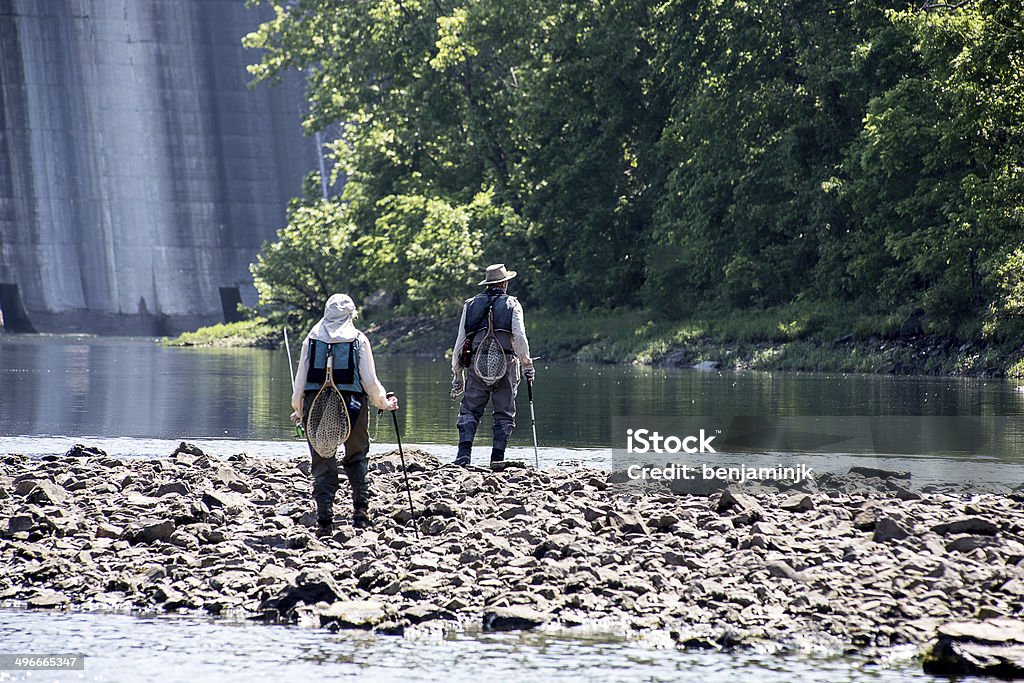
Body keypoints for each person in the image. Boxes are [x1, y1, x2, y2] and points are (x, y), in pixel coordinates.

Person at [290, 294, 398, 536]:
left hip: (314, 404)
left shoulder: (311, 340)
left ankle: (325, 520)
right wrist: (384, 402)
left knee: (322, 460)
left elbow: (300, 383)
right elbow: (369, 381)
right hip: (353, 406)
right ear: (351, 314)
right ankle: (361, 512)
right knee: (357, 455)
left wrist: (299, 410)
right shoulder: (359, 339)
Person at [450, 264, 535, 468]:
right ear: (504, 283)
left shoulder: (470, 305)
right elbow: (520, 338)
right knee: (504, 412)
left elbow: (460, 342)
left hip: (476, 365)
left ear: (488, 284)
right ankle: (497, 458)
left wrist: (457, 373)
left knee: (470, 410)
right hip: (506, 364)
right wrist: (527, 365)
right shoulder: (512, 304)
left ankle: (463, 456)